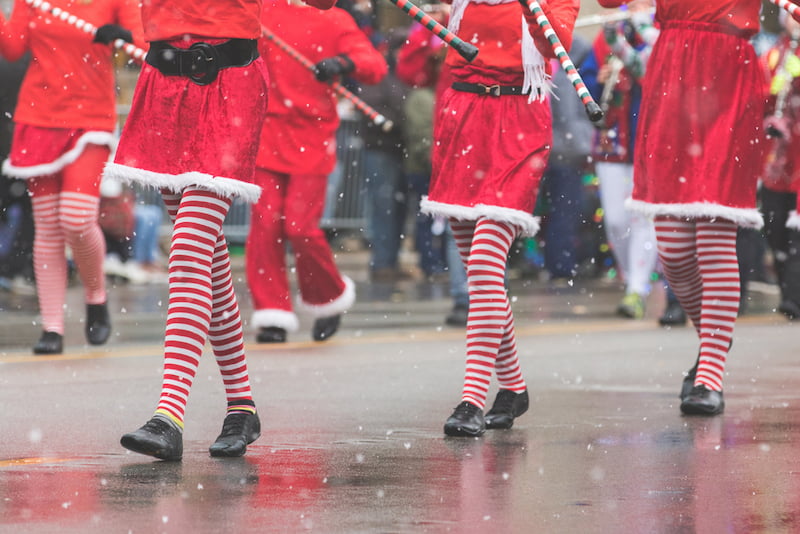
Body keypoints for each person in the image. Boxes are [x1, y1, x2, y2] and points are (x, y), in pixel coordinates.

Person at [103, 0, 336, 461]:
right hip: (164, 86)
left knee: (190, 249)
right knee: (207, 260)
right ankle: (242, 406)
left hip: (229, 85)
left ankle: (168, 416)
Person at [598, 0, 779, 415]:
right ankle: (713, 335)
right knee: (675, 252)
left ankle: (710, 373)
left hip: (729, 77)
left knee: (714, 238)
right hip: (673, 77)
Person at [421, 0, 579, 437]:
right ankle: (513, 386)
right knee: (478, 269)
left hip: (520, 121)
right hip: (463, 119)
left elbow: (554, 43)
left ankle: (471, 398)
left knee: (486, 264)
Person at [0, 0, 143, 355]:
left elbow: (142, 49)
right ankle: (52, 327)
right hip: (38, 118)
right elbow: (13, 46)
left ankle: (96, 296)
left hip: (90, 118)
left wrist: (123, 37)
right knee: (48, 225)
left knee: (76, 219)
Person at [247, 0, 387, 344]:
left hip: (312, 136)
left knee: (300, 227)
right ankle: (272, 315)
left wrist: (343, 63)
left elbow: (374, 65)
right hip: (265, 134)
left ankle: (327, 297)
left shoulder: (335, 19)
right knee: (265, 227)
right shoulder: (260, 11)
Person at [581, 0, 659, 319]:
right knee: (615, 219)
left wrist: (641, 31)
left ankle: (637, 288)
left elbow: (650, 74)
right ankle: (631, 276)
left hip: (650, 137)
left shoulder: (659, 31)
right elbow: (585, 85)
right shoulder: (609, 33)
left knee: (643, 216)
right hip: (613, 140)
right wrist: (599, 81)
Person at [539, 33, 593, 281]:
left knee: (560, 210)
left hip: (554, 150)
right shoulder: (567, 74)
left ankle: (558, 262)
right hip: (562, 151)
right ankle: (560, 264)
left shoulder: (558, 70)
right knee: (564, 210)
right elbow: (568, 117)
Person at [760, 12, 800, 320]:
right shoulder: (776, 52)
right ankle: (789, 293)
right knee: (775, 230)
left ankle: (794, 298)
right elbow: (761, 93)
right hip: (778, 161)